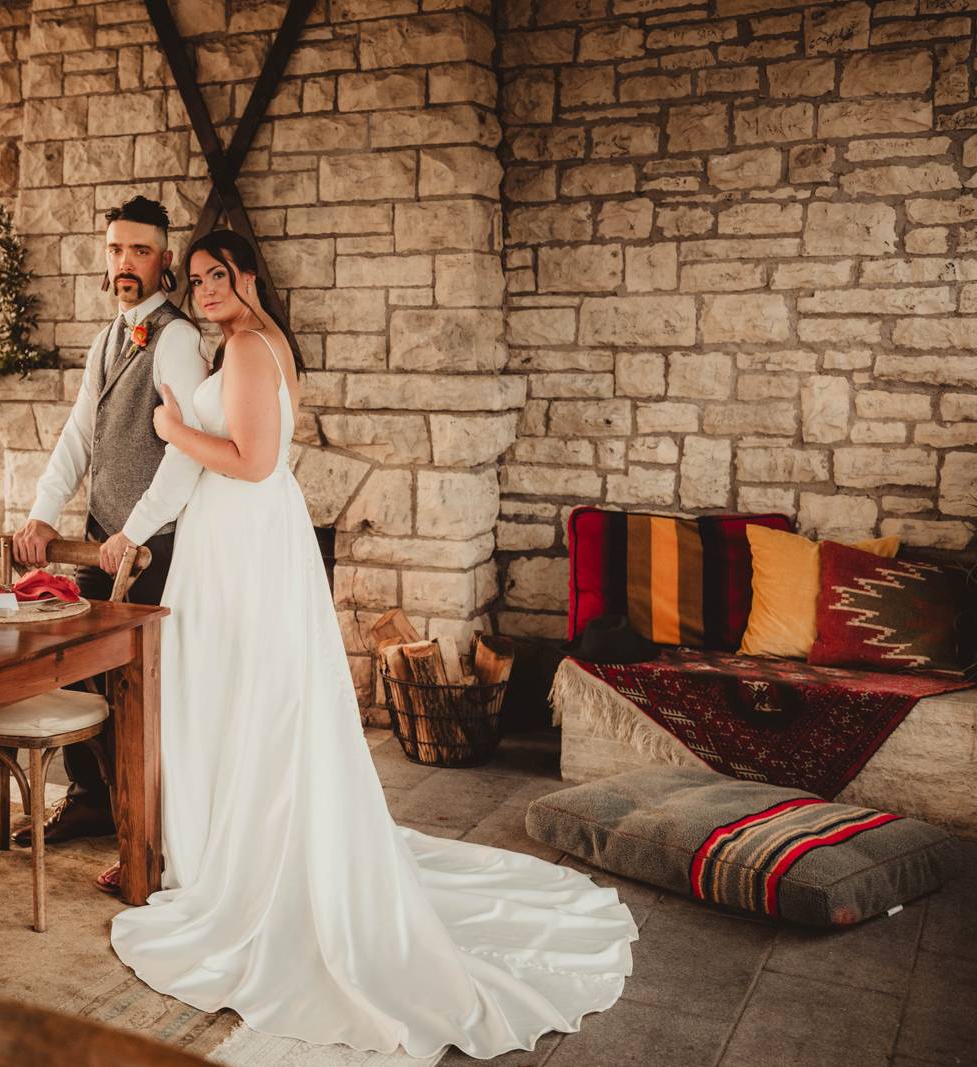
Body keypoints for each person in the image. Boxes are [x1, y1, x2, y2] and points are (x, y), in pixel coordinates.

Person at [106, 230, 638, 1059]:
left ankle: (241, 868)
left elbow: (252, 462)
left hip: (243, 539)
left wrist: (173, 428)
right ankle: (231, 846)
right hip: (249, 538)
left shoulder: (245, 347)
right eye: (196, 278)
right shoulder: (262, 340)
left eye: (218, 275)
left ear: (248, 277)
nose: (204, 290)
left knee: (243, 697)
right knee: (249, 699)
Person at [10, 195, 208, 847]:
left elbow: (186, 450)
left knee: (139, 688)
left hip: (154, 549)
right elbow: (78, 436)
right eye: (117, 249)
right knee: (78, 669)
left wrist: (136, 530)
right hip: (101, 540)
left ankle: (144, 820)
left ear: (164, 260)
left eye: (140, 251)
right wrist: (42, 516)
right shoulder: (106, 339)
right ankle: (89, 799)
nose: (125, 262)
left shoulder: (177, 339)